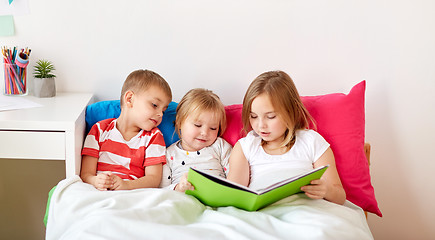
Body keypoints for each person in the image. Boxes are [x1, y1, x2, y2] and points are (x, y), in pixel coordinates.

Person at [227, 71, 346, 205]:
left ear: (291, 111)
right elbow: (234, 195)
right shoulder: (246, 147)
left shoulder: (311, 141)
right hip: (264, 214)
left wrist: (327, 190)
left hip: (307, 210)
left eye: (270, 116)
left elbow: (340, 197)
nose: (261, 125)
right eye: (253, 116)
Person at [80, 69, 172, 191]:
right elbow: (86, 174)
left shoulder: (154, 137)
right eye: (155, 105)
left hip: (132, 193)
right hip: (100, 192)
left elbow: (153, 179)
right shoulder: (99, 130)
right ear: (129, 99)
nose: (160, 114)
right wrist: (96, 181)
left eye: (163, 111)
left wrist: (126, 185)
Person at [160, 88, 232, 192]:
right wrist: (179, 188)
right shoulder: (169, 154)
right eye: (198, 125)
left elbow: (234, 176)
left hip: (217, 199)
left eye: (213, 128)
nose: (205, 133)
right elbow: (162, 190)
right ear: (180, 122)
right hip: (184, 199)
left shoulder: (220, 146)